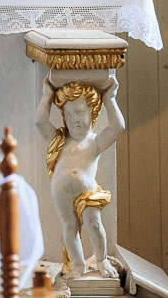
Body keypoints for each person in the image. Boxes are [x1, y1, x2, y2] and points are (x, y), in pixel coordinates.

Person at [36, 77, 124, 279]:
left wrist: (110, 98)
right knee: (69, 226)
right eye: (69, 114)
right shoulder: (59, 139)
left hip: (87, 192)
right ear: (64, 117)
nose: (75, 119)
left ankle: (101, 260)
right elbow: (39, 121)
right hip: (61, 192)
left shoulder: (94, 142)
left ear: (92, 112)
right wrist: (47, 94)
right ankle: (78, 265)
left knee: (94, 222)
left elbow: (118, 127)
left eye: (81, 112)